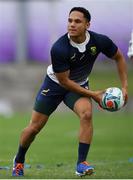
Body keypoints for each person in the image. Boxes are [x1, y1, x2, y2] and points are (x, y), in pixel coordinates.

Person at [12, 7, 128, 177]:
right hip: (54, 85)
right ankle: (19, 160)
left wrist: (124, 86)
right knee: (34, 128)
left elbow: (119, 57)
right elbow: (65, 82)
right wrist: (94, 94)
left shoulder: (99, 41)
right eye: (69, 20)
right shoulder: (59, 48)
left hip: (79, 86)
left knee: (86, 114)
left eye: (77, 21)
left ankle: (81, 164)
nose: (72, 24)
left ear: (87, 24)